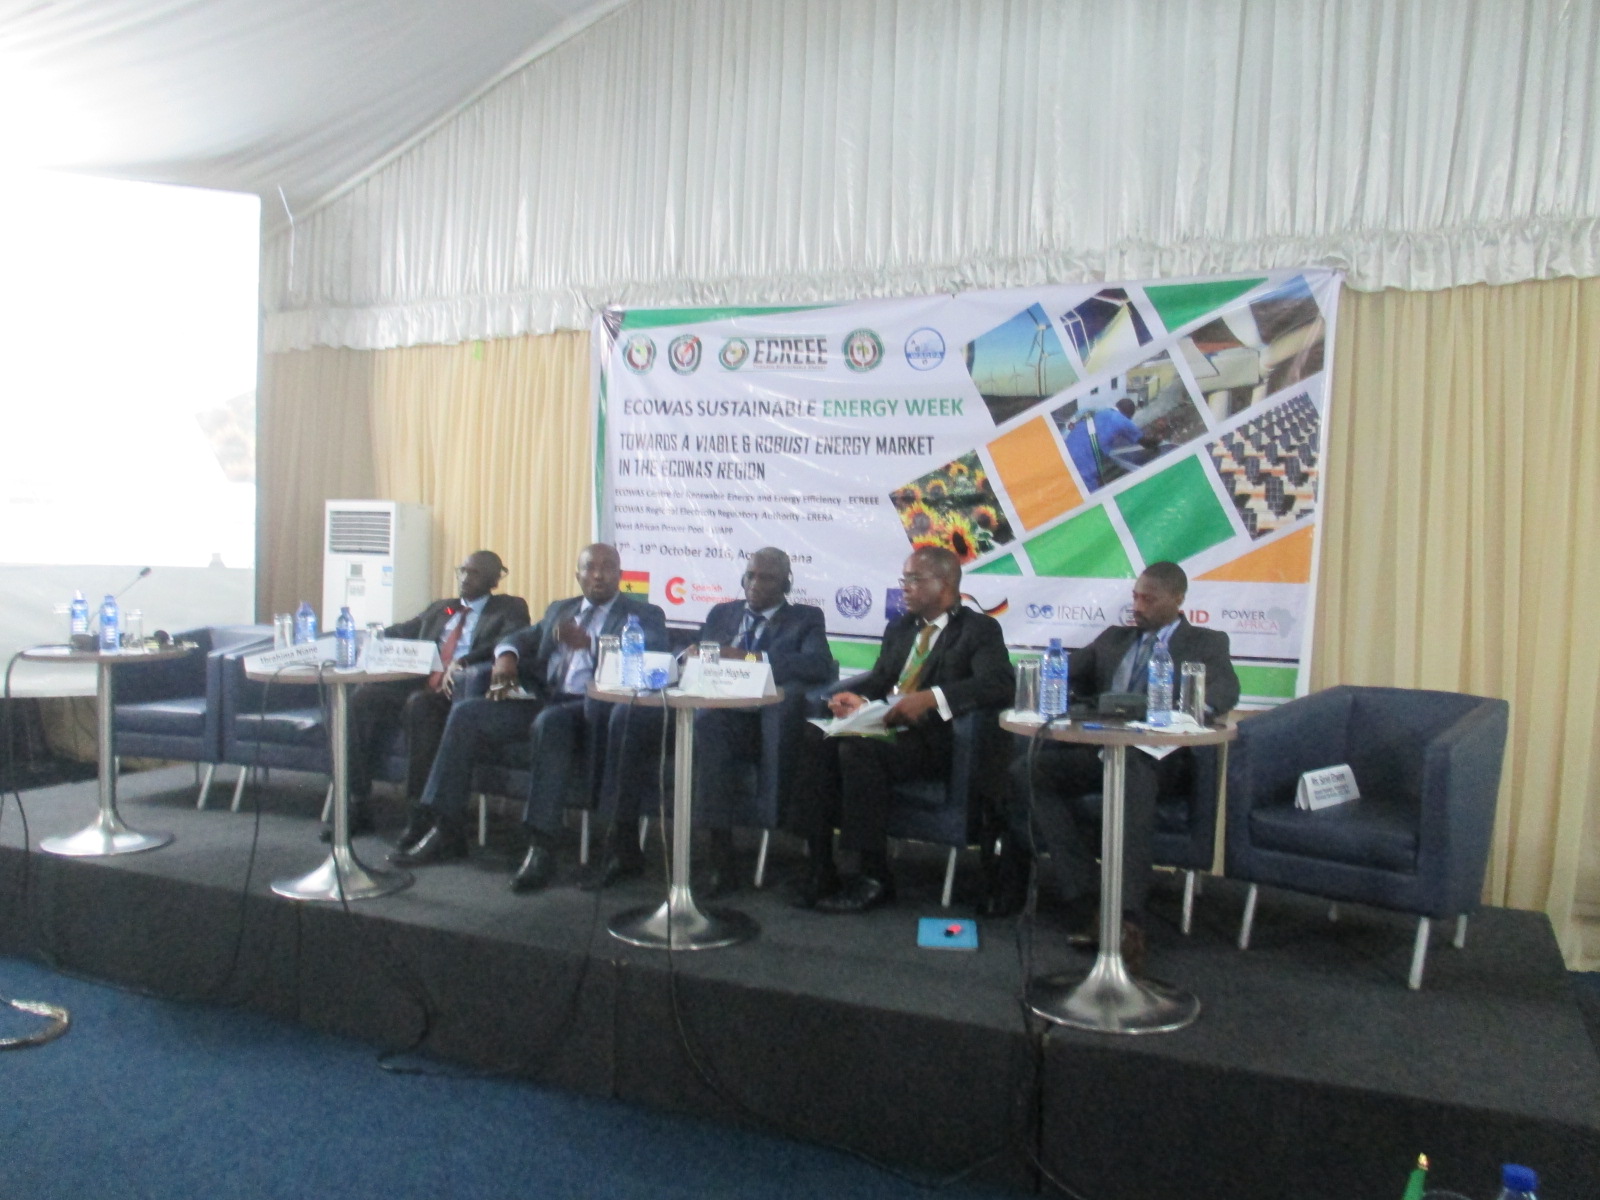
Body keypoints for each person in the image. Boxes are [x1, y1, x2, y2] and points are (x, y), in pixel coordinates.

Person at [987, 562, 1239, 972]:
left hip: (1161, 757)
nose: (1137, 606)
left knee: (1133, 774)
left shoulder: (1206, 642)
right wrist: (1044, 684)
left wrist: (1194, 710)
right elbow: (1065, 671)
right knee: (1028, 769)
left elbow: (1226, 689)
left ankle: (1127, 919)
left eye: (1148, 599)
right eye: (1135, 597)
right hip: (1101, 750)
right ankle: (1087, 898)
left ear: (1177, 599)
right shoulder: (1114, 638)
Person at [390, 543, 668, 893]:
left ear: (620, 575)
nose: (599, 574)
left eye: (607, 567)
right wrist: (506, 656)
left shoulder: (643, 614)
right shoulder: (560, 609)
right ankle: (446, 828)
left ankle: (541, 847)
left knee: (551, 724)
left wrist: (592, 644)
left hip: (593, 707)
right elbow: (520, 637)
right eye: (590, 567)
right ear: (578, 575)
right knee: (466, 713)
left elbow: (653, 657)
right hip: (546, 699)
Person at [582, 547, 836, 896]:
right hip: (696, 704)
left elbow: (818, 665)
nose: (755, 584)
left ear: (786, 584)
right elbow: (693, 654)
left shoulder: (805, 619)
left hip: (750, 722)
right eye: (750, 576)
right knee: (628, 714)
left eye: (766, 578)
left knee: (709, 726)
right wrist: (685, 656)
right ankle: (623, 846)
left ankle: (720, 859)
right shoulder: (722, 613)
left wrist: (748, 657)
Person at [789, 545, 1013, 913]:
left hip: (934, 741)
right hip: (882, 725)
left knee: (857, 748)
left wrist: (932, 698)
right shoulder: (901, 627)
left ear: (945, 583)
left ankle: (874, 876)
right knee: (817, 736)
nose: (904, 588)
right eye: (904, 579)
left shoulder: (978, 630)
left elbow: (999, 684)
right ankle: (820, 866)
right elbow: (880, 678)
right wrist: (856, 699)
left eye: (914, 579)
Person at [341, 549, 530, 838]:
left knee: (420, 705)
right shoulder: (443, 608)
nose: (465, 578)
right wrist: (370, 638)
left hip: (459, 691)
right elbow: (405, 629)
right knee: (362, 698)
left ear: (494, 580)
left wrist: (464, 661)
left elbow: (510, 640)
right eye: (462, 571)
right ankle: (357, 802)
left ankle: (419, 814)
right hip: (420, 683)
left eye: (474, 573)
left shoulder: (508, 608)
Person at [1064, 398, 1157, 491]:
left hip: (1065, 454)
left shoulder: (1097, 411)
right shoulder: (1122, 420)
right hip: (1083, 468)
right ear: (1129, 415)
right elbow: (1147, 443)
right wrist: (1159, 439)